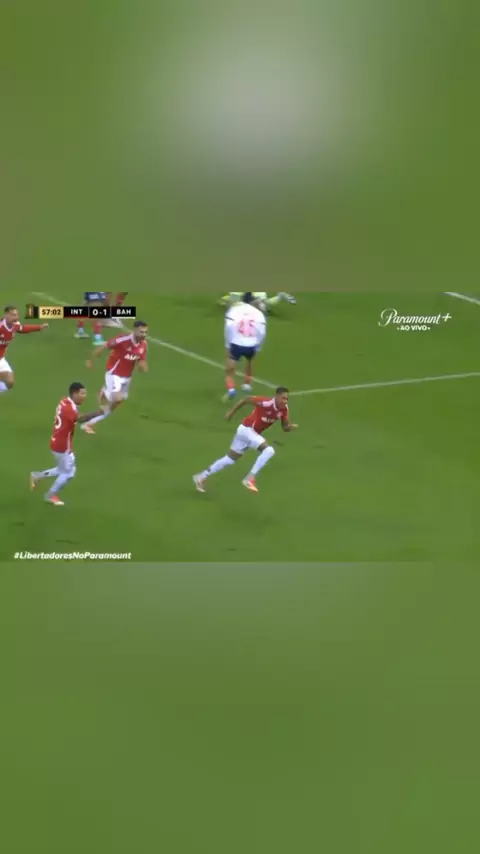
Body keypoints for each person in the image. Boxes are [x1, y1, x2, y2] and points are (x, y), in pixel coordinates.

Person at [193, 387, 297, 493]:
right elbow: (245, 400)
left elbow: (285, 427)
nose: (285, 401)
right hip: (247, 429)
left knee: (230, 459)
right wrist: (231, 412)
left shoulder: (284, 409)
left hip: (248, 433)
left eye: (286, 399)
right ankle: (250, 478)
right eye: (283, 398)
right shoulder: (266, 402)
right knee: (269, 451)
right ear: (277, 396)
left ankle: (201, 477)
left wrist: (289, 427)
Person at [30, 382, 106, 505]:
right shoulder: (69, 408)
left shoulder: (64, 401)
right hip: (62, 445)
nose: (84, 396)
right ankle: (49, 495)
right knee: (68, 473)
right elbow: (80, 419)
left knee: (62, 469)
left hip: (57, 441)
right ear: (74, 393)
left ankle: (37, 476)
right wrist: (97, 413)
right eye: (82, 393)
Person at [82, 320, 148, 432]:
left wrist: (142, 367)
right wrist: (91, 360)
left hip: (127, 377)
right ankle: (104, 393)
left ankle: (89, 423)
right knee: (117, 398)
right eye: (141, 332)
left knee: (116, 404)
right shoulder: (123, 339)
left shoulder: (143, 344)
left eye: (145, 332)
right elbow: (104, 346)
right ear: (135, 330)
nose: (144, 335)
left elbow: (141, 361)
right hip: (114, 373)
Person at [224, 292, 267, 400]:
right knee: (250, 362)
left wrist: (228, 344)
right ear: (252, 301)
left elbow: (229, 327)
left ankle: (231, 389)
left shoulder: (234, 310)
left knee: (229, 371)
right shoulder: (258, 313)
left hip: (236, 343)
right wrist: (258, 345)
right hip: (251, 344)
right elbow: (262, 331)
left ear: (242, 300)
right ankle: (247, 384)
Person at [0, 304, 48, 393]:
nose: (16, 317)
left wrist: (39, 327)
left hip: (1, 358)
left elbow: (22, 328)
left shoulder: (15, 325)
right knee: (5, 376)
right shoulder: (1, 327)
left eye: (16, 315)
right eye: (13, 315)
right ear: (6, 315)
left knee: (10, 383)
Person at [219, 292, 296, 312]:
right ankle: (280, 296)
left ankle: (280, 296)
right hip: (246, 297)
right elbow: (230, 298)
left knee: (264, 307)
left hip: (253, 296)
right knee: (264, 306)